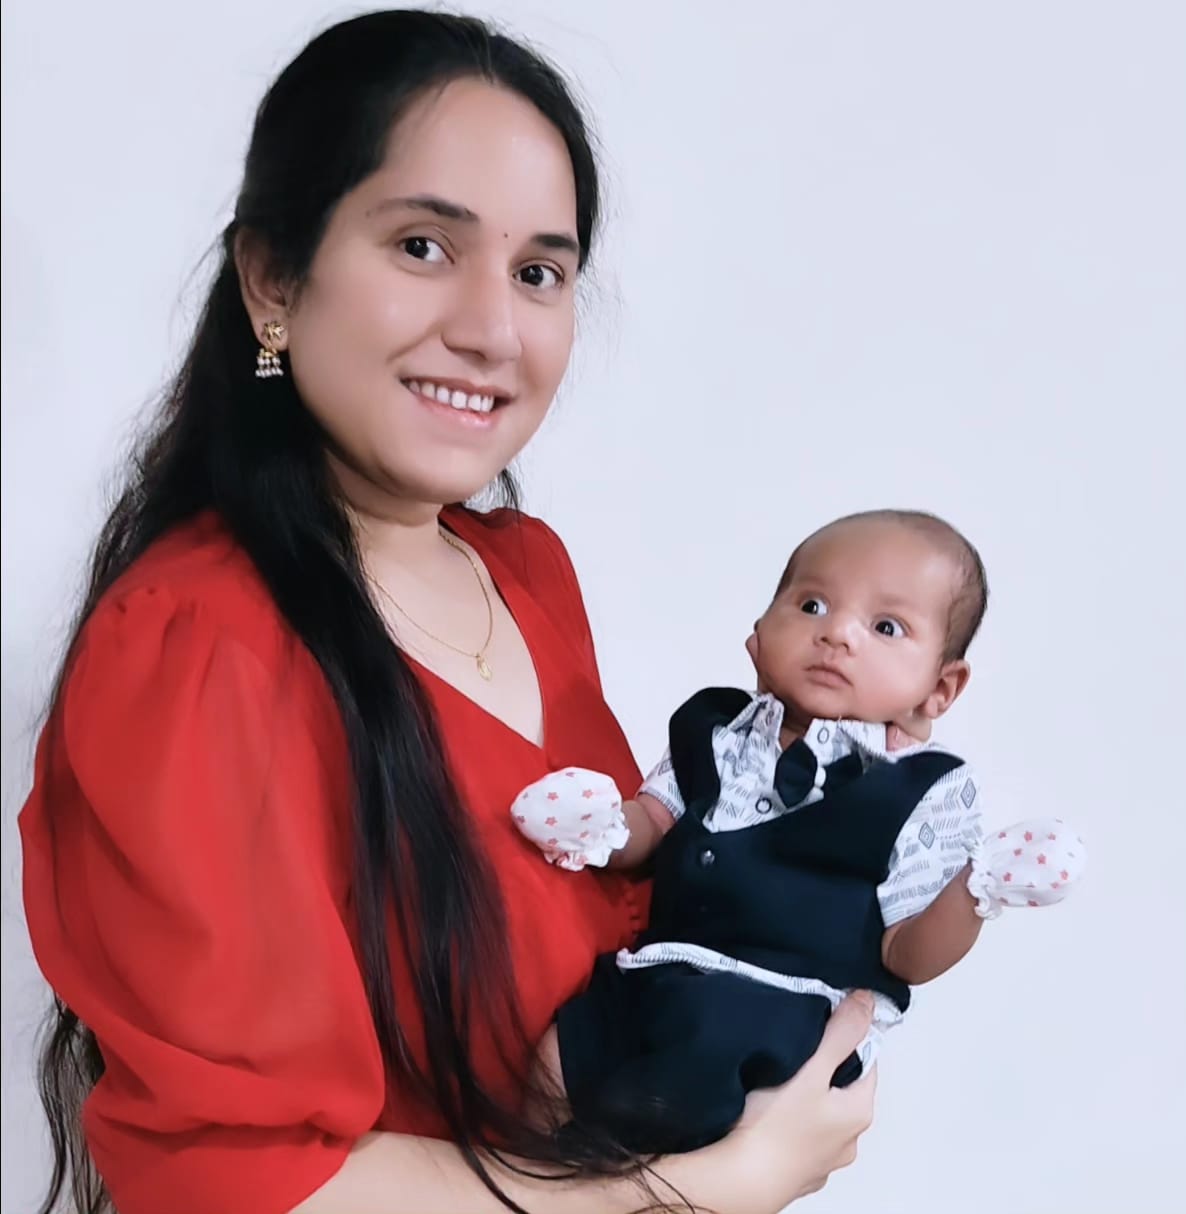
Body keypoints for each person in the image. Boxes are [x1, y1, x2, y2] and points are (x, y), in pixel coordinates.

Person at [17, 11, 876, 1214]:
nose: (490, 330)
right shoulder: (199, 642)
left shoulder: (524, 572)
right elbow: (247, 1181)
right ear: (272, 279)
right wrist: (698, 1187)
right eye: (423, 246)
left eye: (538, 272)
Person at [513, 510, 1085, 1153]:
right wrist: (602, 827)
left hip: (790, 1008)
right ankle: (541, 1170)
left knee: (686, 1082)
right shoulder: (716, 732)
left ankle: (623, 1163)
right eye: (812, 605)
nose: (836, 633)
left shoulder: (926, 790)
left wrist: (976, 890)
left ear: (940, 688)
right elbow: (655, 821)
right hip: (660, 971)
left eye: (886, 627)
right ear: (758, 636)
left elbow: (907, 954)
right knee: (559, 1056)